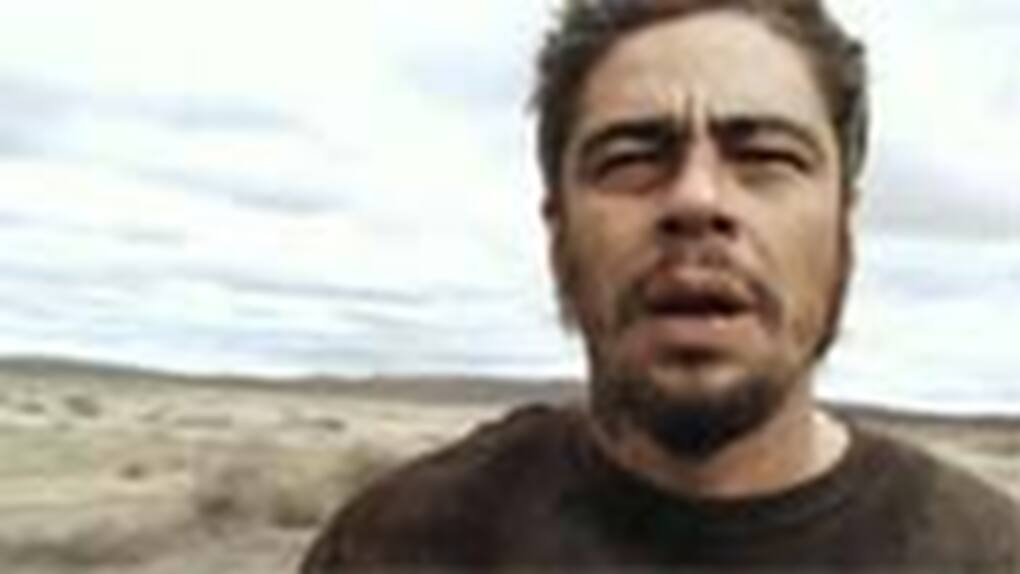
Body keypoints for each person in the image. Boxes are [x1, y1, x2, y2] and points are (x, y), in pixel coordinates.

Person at [302, 0, 1020, 571]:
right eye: (630, 159)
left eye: (766, 156)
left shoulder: (988, 555)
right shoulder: (398, 544)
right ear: (558, 229)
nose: (697, 200)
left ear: (845, 225)